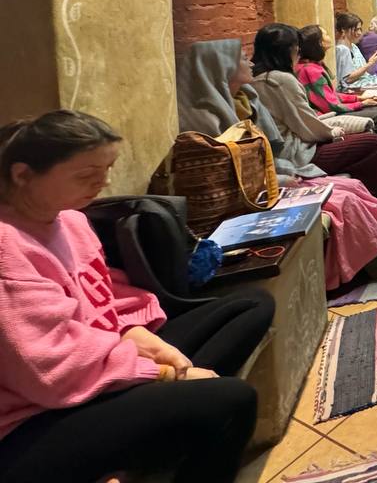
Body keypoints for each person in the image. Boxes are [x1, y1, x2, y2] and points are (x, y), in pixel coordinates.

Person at [0, 110, 273, 483]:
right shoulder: (8, 246)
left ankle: (170, 423)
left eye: (107, 169)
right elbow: (50, 370)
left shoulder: (71, 220)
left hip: (94, 368)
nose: (103, 182)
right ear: (22, 175)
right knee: (233, 400)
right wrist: (162, 373)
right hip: (34, 416)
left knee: (251, 305)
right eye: (86, 174)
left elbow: (106, 298)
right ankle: (185, 413)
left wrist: (134, 332)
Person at [178, 40, 377, 288]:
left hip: (278, 172)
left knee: (353, 186)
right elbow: (235, 173)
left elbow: (269, 147)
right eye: (241, 58)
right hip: (256, 194)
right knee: (342, 199)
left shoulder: (246, 99)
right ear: (223, 67)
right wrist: (283, 175)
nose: (250, 62)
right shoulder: (207, 119)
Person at [250, 24, 377, 212]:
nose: (298, 51)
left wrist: (357, 100)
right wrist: (335, 131)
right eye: (295, 47)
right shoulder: (282, 79)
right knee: (374, 139)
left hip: (299, 139)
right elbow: (310, 121)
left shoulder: (263, 79)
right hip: (298, 150)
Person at [295, 24, 377, 179]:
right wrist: (362, 103)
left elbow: (332, 95)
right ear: (318, 43)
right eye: (325, 34)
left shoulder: (315, 65)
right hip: (327, 116)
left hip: (333, 107)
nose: (330, 36)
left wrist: (359, 98)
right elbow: (331, 105)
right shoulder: (310, 69)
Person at [334, 12, 377, 92]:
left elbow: (363, 72)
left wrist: (372, 62)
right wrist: (369, 64)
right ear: (344, 30)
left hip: (366, 82)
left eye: (360, 29)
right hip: (354, 89)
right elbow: (347, 79)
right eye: (356, 29)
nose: (359, 33)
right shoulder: (342, 49)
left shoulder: (354, 46)